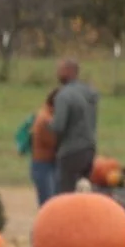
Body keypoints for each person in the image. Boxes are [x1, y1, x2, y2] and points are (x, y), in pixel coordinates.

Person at [48, 57, 100, 192]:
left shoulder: (64, 95)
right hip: (89, 148)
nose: (57, 74)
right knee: (84, 190)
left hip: (70, 150)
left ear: (70, 71)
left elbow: (59, 126)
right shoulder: (89, 92)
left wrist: (48, 124)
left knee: (67, 192)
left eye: (60, 70)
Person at [22, 91, 61, 205]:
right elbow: (53, 142)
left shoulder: (46, 115)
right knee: (48, 202)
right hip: (43, 165)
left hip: (44, 164)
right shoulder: (46, 120)